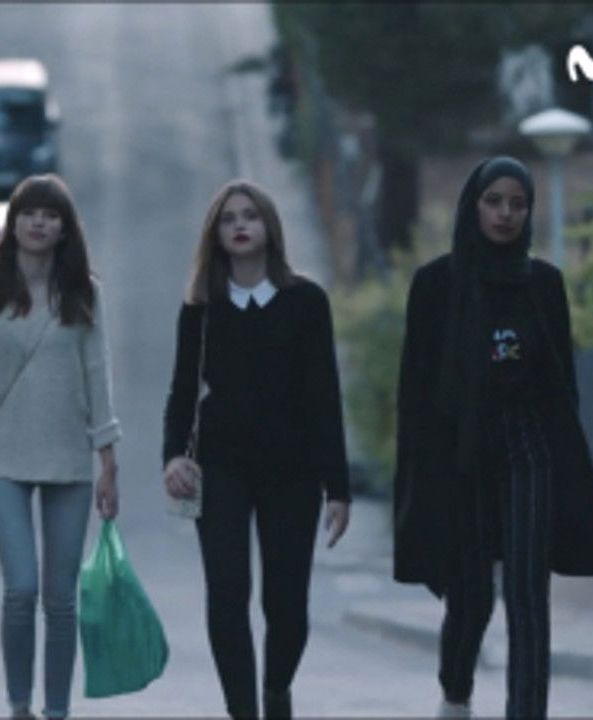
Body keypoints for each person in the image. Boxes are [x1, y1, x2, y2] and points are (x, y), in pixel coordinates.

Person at [392, 156, 593, 719]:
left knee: (527, 593)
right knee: (472, 597)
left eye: (518, 204)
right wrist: (420, 482)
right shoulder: (436, 284)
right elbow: (415, 394)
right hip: (462, 456)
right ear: (472, 206)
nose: (505, 214)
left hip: (528, 449)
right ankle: (456, 694)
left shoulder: (543, 284)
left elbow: (561, 384)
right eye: (494, 201)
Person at [162, 179, 351, 720]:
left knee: (286, 605)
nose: (240, 225)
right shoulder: (201, 309)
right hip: (219, 466)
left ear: (269, 226)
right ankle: (243, 711)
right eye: (228, 219)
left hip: (293, 470)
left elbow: (324, 396)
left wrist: (338, 488)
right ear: (216, 235)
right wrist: (173, 455)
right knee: (227, 591)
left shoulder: (306, 302)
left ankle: (277, 689)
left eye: (249, 216)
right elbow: (182, 391)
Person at [0, 174, 121, 720]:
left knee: (61, 599)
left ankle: (57, 710)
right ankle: (19, 705)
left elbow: (97, 374)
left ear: (65, 227)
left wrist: (108, 459)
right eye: (29, 213)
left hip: (68, 457)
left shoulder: (84, 292)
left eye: (50, 215)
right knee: (20, 587)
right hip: (0, 457)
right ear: (13, 222)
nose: (39, 223)